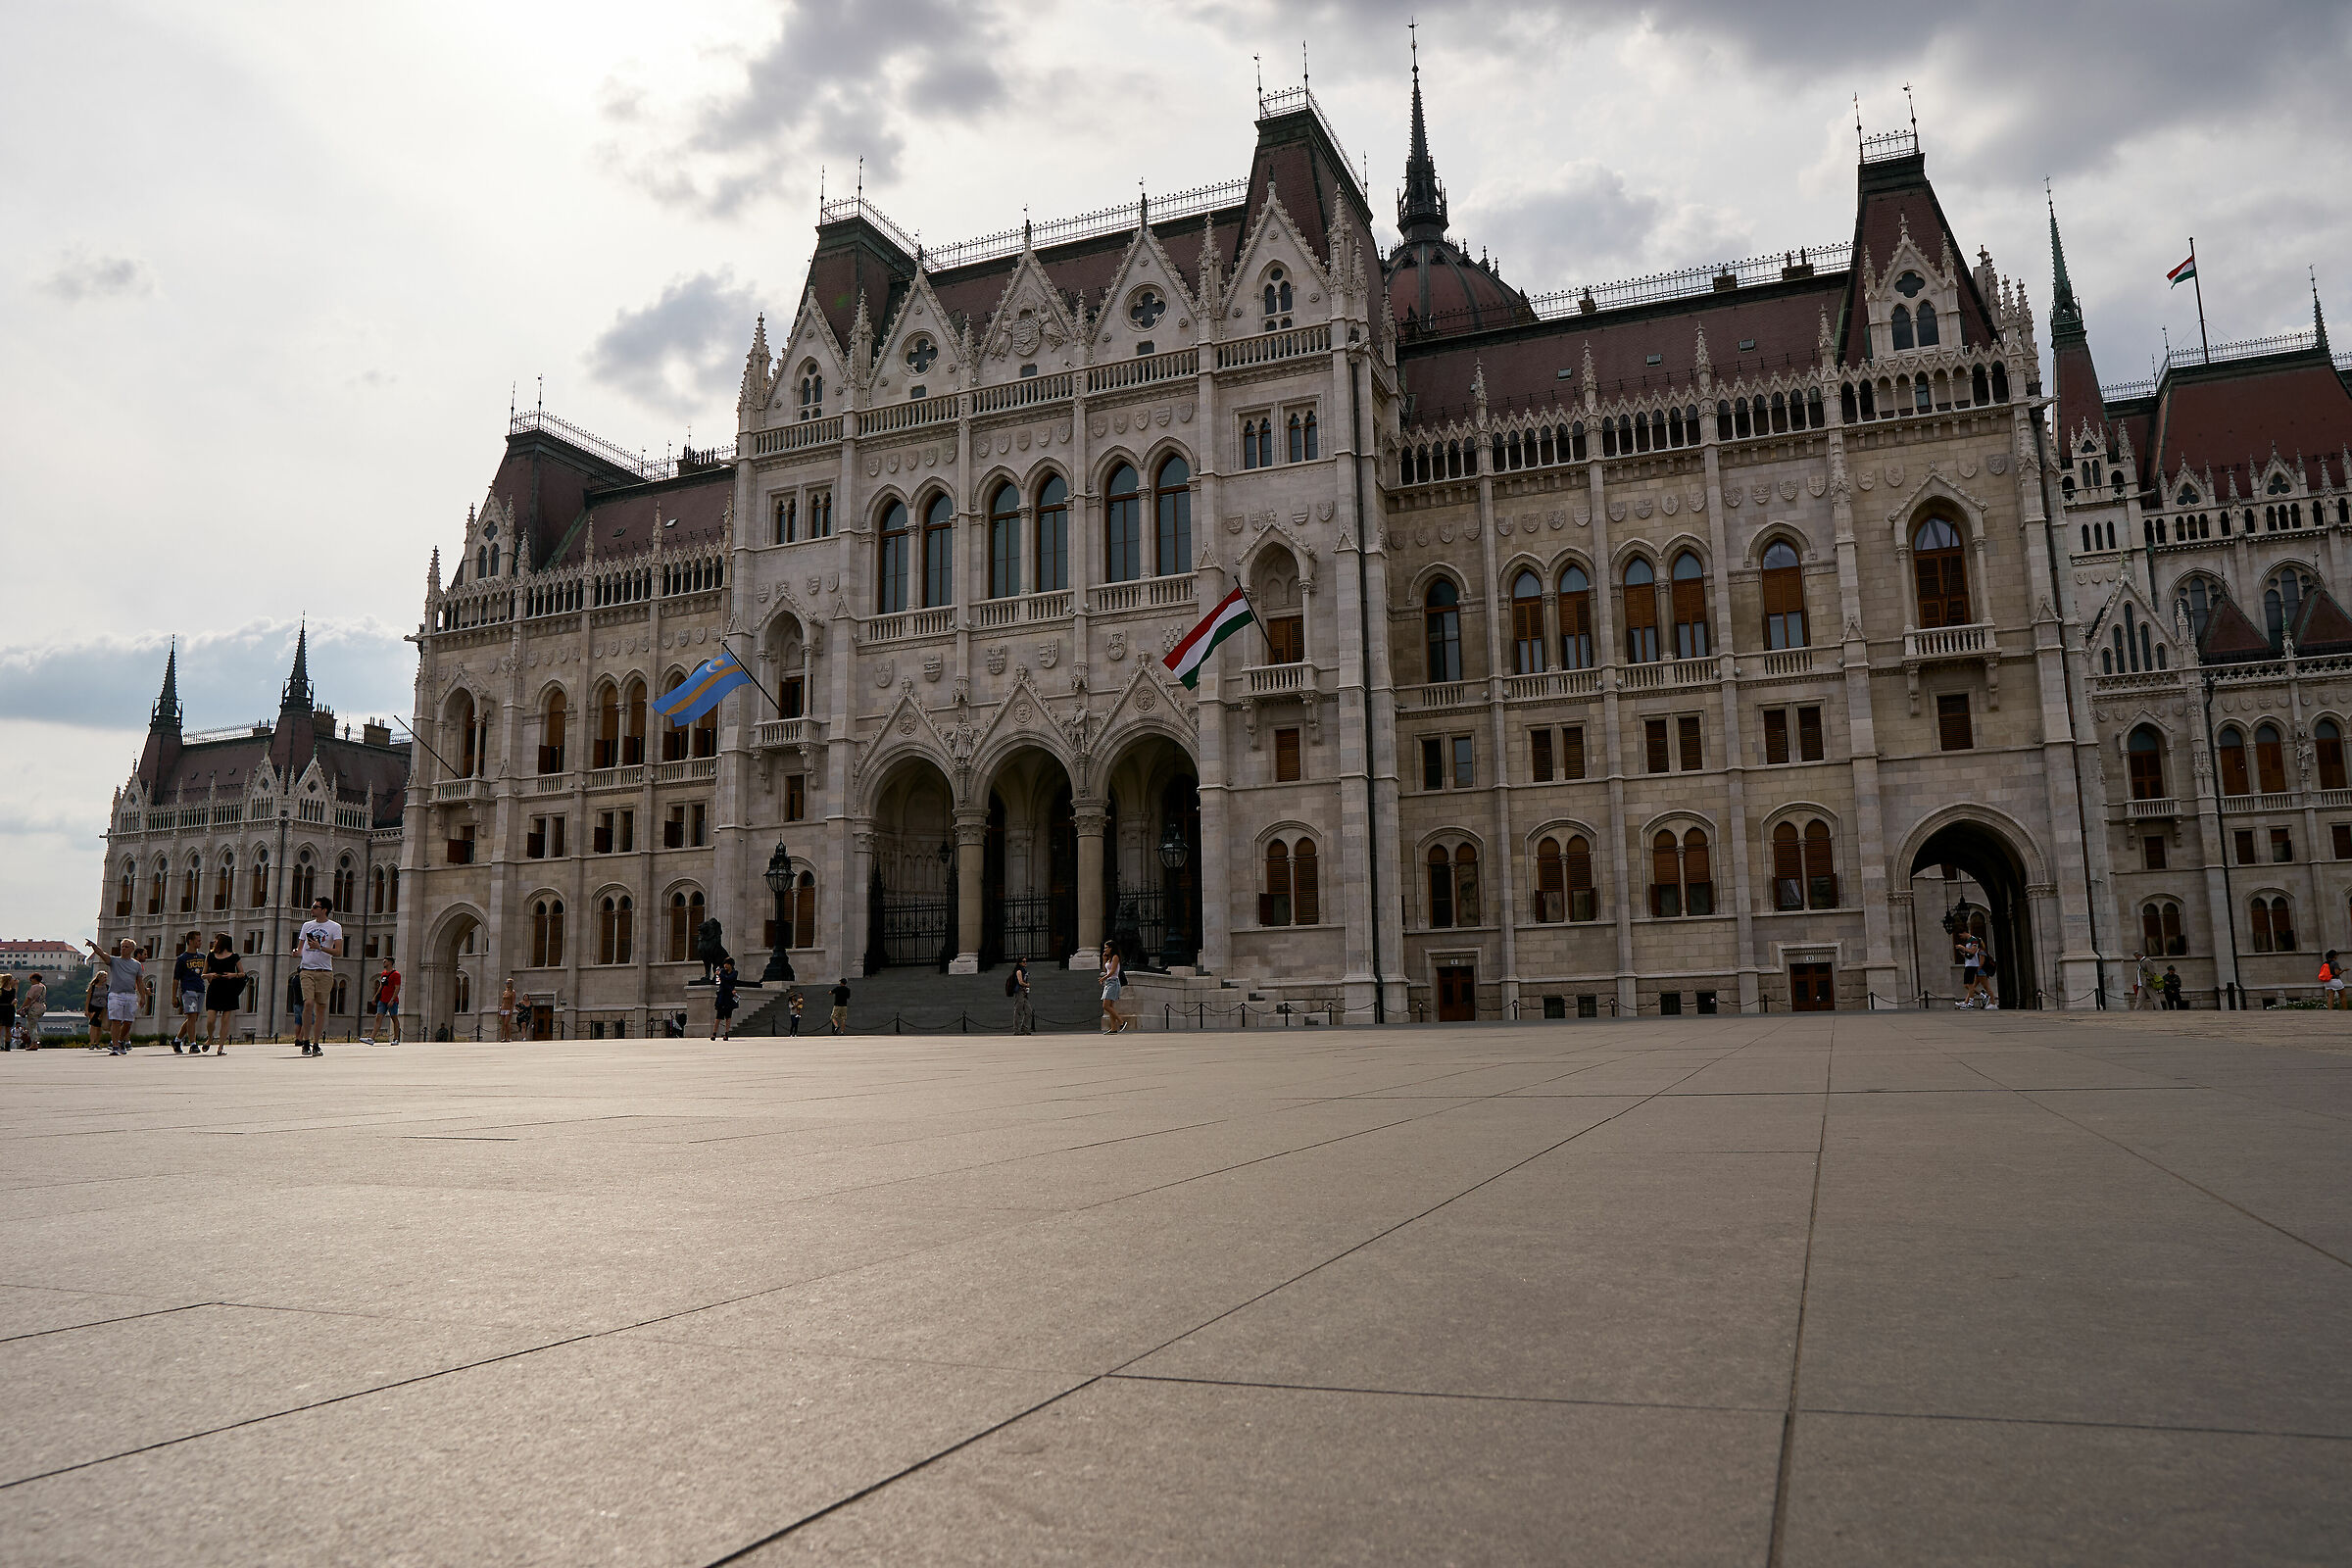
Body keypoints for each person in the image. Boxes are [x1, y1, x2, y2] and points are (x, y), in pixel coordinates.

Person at [292, 896, 342, 1056]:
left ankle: (316, 1043)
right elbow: (300, 949)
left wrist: (320, 947)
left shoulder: (335, 927)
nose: (311, 909)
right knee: (308, 1003)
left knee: (321, 1008)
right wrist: (296, 953)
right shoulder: (306, 925)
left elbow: (338, 951)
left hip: (325, 971)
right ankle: (305, 1041)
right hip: (306, 970)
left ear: (324, 910)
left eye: (315, 907)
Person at [85, 938, 150, 1054]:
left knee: (128, 1021)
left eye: (126, 947)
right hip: (115, 994)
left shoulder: (137, 965)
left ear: (132, 949)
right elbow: (102, 954)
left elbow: (139, 982)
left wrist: (143, 997)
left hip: (130, 995)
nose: (123, 949)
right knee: (116, 1020)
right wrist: (94, 946)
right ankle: (115, 1046)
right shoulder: (114, 961)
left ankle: (120, 1041)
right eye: (122, 946)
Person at [203, 936, 245, 1055]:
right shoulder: (210, 956)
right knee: (210, 1020)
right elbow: (203, 974)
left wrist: (233, 975)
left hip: (229, 989)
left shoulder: (234, 956)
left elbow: (242, 973)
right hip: (214, 989)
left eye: (217, 940)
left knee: (225, 1020)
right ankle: (210, 1037)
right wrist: (210, 975)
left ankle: (220, 1047)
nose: (214, 942)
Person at [171, 933, 207, 1054]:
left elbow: (206, 974)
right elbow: (176, 979)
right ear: (190, 941)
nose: (200, 943)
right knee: (191, 1016)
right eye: (198, 940)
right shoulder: (182, 959)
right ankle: (193, 1044)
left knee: (194, 1018)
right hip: (188, 991)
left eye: (201, 941)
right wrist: (174, 996)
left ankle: (177, 1040)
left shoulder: (202, 957)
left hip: (200, 990)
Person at [1100, 942, 1130, 1033]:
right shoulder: (1109, 958)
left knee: (1105, 1006)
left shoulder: (1115, 957)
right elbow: (1105, 970)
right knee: (1110, 1006)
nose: (1105, 950)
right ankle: (1113, 1028)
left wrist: (1103, 978)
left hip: (1113, 982)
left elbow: (1112, 972)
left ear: (1111, 948)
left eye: (1106, 948)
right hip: (1108, 983)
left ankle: (1121, 1021)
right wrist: (1104, 959)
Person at [368, 962, 402, 1043]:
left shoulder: (396, 974)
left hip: (392, 1001)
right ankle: (372, 1038)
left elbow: (397, 988)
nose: (383, 963)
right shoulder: (384, 973)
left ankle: (396, 1038)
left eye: (385, 961)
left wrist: (392, 999)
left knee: (394, 1018)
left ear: (390, 963)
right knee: (378, 1018)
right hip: (382, 1000)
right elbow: (381, 986)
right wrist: (375, 996)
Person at [711, 958, 738, 1040]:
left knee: (728, 1016)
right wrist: (731, 989)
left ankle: (726, 1033)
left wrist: (720, 975)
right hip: (722, 996)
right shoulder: (723, 972)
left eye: (727, 964)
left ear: (731, 965)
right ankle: (714, 1034)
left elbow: (729, 979)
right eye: (725, 964)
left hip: (729, 997)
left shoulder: (734, 973)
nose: (725, 965)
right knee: (718, 1016)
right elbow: (723, 982)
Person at [1008, 956, 1034, 1035]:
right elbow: (1020, 982)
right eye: (1023, 961)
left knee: (1029, 1011)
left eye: (1026, 961)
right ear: (1020, 963)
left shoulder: (1024, 971)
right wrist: (1027, 985)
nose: (1025, 963)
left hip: (1024, 992)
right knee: (1018, 1011)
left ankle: (1025, 1028)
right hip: (1019, 992)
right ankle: (1016, 1030)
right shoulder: (1019, 971)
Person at [20, 972, 44, 1050]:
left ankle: (34, 1043)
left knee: (32, 1026)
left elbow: (29, 998)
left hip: (34, 1008)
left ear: (34, 979)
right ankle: (34, 1042)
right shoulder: (43, 987)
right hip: (42, 1007)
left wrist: (21, 1008)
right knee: (31, 1025)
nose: (30, 981)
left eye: (31, 979)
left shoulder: (34, 987)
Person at [497, 978, 517, 1042]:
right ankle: (504, 1037)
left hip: (508, 1008)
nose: (507, 984)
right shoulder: (504, 992)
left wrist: (511, 1010)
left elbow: (513, 1002)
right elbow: (502, 1001)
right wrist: (500, 1009)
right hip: (503, 1008)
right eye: (506, 983)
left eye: (508, 983)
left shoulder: (513, 992)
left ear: (511, 984)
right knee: (503, 1024)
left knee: (506, 1023)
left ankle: (509, 1037)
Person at [0, 973, 15, 1050]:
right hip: (2, 1009)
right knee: (0, 1027)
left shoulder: (13, 990)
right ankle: (1, 1044)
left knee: (8, 1028)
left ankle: (7, 1046)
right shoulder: (1, 990)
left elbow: (14, 997)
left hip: (10, 1010)